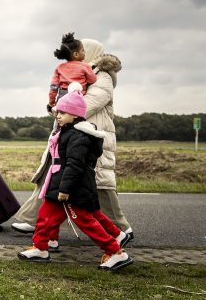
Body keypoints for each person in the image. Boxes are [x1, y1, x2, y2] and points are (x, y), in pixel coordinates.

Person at [12, 38, 134, 242]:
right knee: (51, 176)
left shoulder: (101, 75)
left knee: (101, 186)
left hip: (91, 135)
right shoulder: (79, 71)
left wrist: (60, 108)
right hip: (69, 133)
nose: (83, 52)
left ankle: (120, 228)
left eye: (87, 49)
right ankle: (33, 220)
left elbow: (88, 104)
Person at [17, 84, 133, 271]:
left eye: (63, 112)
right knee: (45, 217)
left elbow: (75, 165)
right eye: (58, 112)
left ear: (75, 114)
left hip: (72, 187)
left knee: (85, 221)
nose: (58, 116)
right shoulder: (67, 132)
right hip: (59, 183)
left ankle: (115, 252)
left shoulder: (78, 136)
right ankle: (40, 248)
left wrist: (65, 189)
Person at [48, 32, 96, 111]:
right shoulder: (85, 66)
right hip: (78, 97)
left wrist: (51, 102)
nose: (85, 52)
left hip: (62, 97)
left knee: (61, 119)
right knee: (75, 119)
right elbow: (93, 80)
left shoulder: (59, 68)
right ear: (76, 54)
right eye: (83, 50)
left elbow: (53, 88)